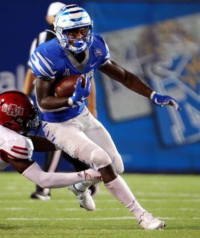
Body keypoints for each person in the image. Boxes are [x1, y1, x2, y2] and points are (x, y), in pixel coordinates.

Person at [29, 4, 181, 230]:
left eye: (83, 30)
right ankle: (142, 216)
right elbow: (43, 102)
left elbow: (125, 76)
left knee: (116, 166)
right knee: (101, 161)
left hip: (82, 115)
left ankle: (79, 187)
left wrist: (152, 94)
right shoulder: (47, 54)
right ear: (61, 32)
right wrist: (71, 99)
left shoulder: (97, 46)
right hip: (57, 124)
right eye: (73, 32)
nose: (79, 36)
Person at [23, 2, 98, 200]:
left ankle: (44, 188)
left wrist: (91, 106)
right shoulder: (45, 40)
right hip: (49, 97)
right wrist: (25, 97)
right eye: (57, 16)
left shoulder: (81, 41)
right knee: (60, 145)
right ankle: (88, 178)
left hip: (68, 100)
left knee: (57, 141)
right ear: (50, 19)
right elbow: (33, 71)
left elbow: (88, 77)